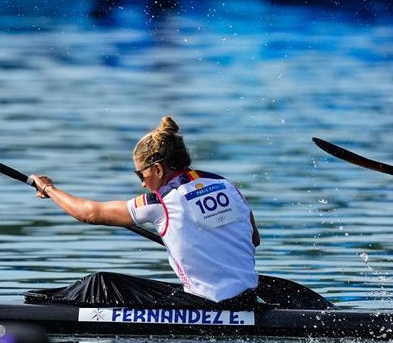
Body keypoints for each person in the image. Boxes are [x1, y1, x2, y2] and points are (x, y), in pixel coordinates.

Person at [28, 116, 261, 308]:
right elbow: (254, 239)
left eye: (141, 175)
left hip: (208, 305)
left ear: (158, 169)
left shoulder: (162, 201)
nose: (142, 183)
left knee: (101, 283)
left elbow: (89, 213)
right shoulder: (226, 185)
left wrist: (49, 189)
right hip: (247, 298)